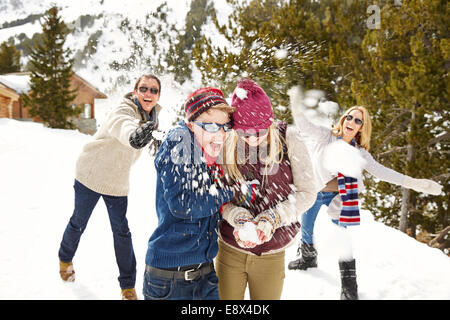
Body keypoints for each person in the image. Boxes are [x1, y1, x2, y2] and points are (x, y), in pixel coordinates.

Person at [287, 87, 443, 300]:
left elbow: (383, 172)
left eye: (358, 120)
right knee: (306, 226)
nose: (351, 121)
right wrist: (296, 104)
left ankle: (349, 287)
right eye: (349, 117)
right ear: (343, 120)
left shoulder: (360, 153)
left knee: (342, 238)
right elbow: (304, 125)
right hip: (315, 191)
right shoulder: (326, 136)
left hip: (340, 197)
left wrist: (415, 183)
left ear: (361, 128)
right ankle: (307, 257)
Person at [58, 74, 162, 300]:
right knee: (78, 222)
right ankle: (65, 259)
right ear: (135, 92)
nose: (148, 93)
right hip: (91, 174)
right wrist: (133, 135)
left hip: (117, 180)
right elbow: (122, 125)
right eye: (143, 88)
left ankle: (127, 286)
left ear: (158, 96)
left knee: (121, 232)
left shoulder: (153, 120)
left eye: (153, 90)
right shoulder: (124, 109)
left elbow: (153, 142)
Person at [216, 78, 317, 300]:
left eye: (259, 132)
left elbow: (308, 192)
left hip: (271, 253)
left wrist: (272, 218)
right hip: (230, 249)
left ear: (269, 123)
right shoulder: (227, 143)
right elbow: (220, 196)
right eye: (245, 133)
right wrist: (238, 217)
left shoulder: (289, 139)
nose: (252, 139)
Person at [143, 87, 242, 300]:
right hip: (171, 280)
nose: (221, 134)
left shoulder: (205, 152)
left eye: (225, 127)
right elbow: (184, 204)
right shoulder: (180, 140)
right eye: (211, 126)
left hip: (204, 273)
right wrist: (231, 192)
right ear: (190, 124)